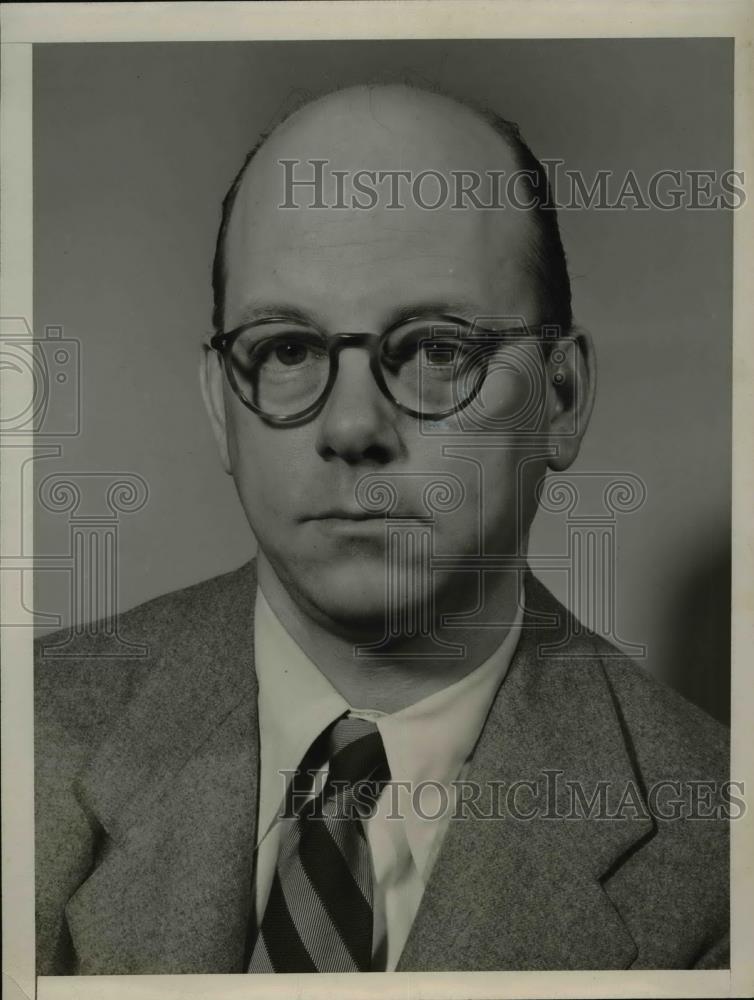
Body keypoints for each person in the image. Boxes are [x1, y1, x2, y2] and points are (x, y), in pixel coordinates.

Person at [35, 83, 729, 975]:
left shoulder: (717, 858)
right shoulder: (28, 742)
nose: (352, 427)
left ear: (560, 397)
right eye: (287, 349)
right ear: (220, 409)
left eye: (439, 349)